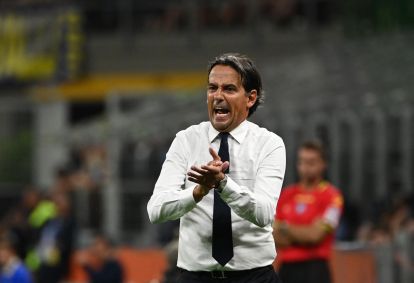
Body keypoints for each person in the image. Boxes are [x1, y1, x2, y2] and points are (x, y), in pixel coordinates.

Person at [147, 53, 286, 282]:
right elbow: (156, 210)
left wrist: (223, 184)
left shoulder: (269, 144)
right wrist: (197, 192)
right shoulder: (186, 140)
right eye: (212, 88)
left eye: (229, 89)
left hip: (254, 277)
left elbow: (264, 214)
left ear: (250, 98)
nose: (218, 96)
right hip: (194, 277)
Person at [273, 141, 343, 283]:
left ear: (323, 164)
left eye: (311, 162)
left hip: (315, 269)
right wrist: (305, 231)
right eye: (302, 162)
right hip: (286, 269)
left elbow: (315, 236)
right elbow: (274, 235)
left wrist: (285, 227)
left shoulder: (333, 196)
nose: (305, 167)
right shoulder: (286, 194)